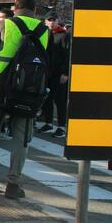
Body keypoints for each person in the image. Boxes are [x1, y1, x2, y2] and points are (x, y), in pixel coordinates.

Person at [0, 0, 48, 199]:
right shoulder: (44, 30)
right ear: (35, 10)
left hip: (0, 87)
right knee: (21, 138)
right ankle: (13, 183)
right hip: (29, 91)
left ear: (15, 8)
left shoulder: (6, 25)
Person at [37, 11, 69, 139]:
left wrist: (65, 73)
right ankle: (48, 123)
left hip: (59, 73)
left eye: (53, 20)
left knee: (60, 100)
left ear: (57, 21)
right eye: (49, 20)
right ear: (45, 21)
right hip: (47, 72)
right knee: (47, 99)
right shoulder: (44, 34)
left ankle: (61, 126)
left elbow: (67, 55)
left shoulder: (63, 35)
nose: (51, 22)